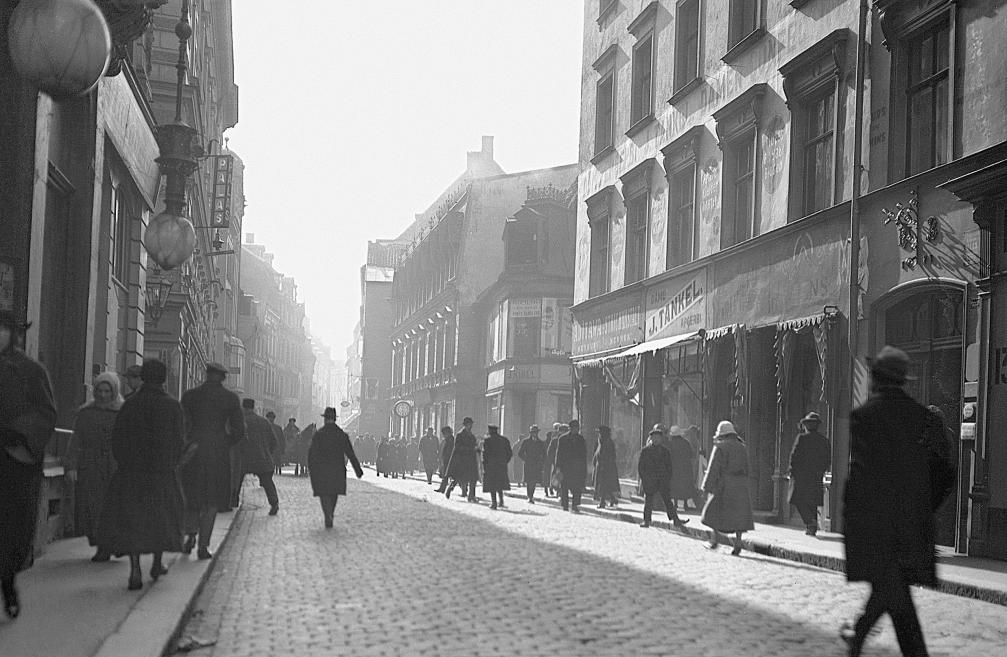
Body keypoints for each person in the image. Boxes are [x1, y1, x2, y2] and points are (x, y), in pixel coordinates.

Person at [841, 346, 955, 657]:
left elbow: (861, 478)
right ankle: (861, 635)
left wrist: (853, 522)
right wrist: (922, 505)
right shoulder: (923, 418)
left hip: (875, 524)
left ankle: (860, 636)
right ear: (904, 380)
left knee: (891, 588)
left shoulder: (864, 418)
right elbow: (945, 472)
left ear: (875, 379)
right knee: (894, 588)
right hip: (911, 524)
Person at [97, 359, 185, 590]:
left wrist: (125, 463)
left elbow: (117, 439)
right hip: (161, 474)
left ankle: (135, 569)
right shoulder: (172, 406)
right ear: (164, 379)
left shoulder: (130, 404)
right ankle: (157, 563)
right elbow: (179, 442)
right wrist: (171, 464)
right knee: (160, 520)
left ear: (144, 377)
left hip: (131, 474)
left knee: (132, 522)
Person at [0, 311, 56, 619]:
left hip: (13, 460)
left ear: (14, 335)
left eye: (3, 330)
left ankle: (7, 584)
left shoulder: (31, 370)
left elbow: (46, 412)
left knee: (9, 529)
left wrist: (17, 432)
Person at [179, 362, 246, 560]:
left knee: (192, 496)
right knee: (212, 500)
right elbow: (239, 430)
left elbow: (181, 423)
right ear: (224, 377)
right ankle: (203, 545)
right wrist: (225, 442)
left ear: (206, 374)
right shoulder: (230, 399)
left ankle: (190, 535)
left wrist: (187, 443)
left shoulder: (190, 396)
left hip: (194, 451)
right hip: (218, 454)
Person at [66, 371, 124, 562]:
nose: (103, 395)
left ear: (114, 392)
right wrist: (71, 466)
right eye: (99, 390)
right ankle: (101, 544)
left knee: (112, 509)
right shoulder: (86, 413)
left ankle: (110, 545)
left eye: (107, 391)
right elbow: (76, 441)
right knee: (92, 509)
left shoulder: (123, 412)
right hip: (90, 468)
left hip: (115, 468)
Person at [701, 421, 754, 555]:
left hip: (725, 484)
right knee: (739, 516)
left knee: (713, 511)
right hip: (741, 485)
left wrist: (706, 487)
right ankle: (738, 543)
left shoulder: (720, 447)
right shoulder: (742, 447)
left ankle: (714, 540)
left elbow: (713, 469)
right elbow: (748, 468)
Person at [308, 408, 364, 529]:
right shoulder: (341, 435)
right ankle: (330, 513)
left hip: (322, 470)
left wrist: (311, 469)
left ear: (324, 419)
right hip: (337, 470)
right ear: (334, 419)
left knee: (324, 493)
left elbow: (311, 454)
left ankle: (327, 514)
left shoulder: (319, 434)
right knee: (333, 493)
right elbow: (350, 453)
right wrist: (358, 470)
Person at [788, 411, 831, 536]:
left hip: (801, 476)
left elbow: (794, 456)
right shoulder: (824, 441)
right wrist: (820, 471)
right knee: (812, 501)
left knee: (798, 499)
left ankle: (810, 523)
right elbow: (827, 459)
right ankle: (811, 526)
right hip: (816, 476)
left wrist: (792, 470)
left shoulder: (802, 438)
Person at [638, 428, 689, 528]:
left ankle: (675, 520)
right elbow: (641, 467)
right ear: (651, 438)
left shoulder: (665, 451)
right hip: (650, 480)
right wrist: (645, 479)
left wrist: (667, 479)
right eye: (654, 438)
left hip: (662, 480)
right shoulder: (645, 451)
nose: (656, 440)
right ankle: (646, 520)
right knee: (648, 501)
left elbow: (669, 467)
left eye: (658, 438)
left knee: (667, 501)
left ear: (661, 439)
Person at [240, 399, 280, 516]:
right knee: (267, 482)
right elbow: (274, 441)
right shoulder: (264, 422)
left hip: (244, 458)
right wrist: (267, 452)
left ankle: (232, 501)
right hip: (262, 458)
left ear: (243, 408)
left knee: (236, 479)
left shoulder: (241, 421)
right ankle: (274, 504)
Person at [553, 419, 587, 512]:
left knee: (577, 488)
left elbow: (584, 455)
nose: (576, 430)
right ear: (571, 428)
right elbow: (558, 454)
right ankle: (565, 505)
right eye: (575, 428)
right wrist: (558, 467)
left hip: (577, 468)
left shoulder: (581, 439)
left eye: (577, 428)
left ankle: (575, 505)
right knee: (564, 487)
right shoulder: (563, 439)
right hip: (566, 467)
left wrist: (584, 468)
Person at [668, 425, 701, 512]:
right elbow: (691, 454)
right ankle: (685, 504)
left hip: (674, 468)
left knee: (674, 485)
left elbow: (668, 455)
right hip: (685, 468)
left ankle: (675, 504)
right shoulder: (686, 443)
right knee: (685, 485)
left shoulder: (670, 443)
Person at [446, 417, 479, 502]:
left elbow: (474, 445)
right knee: (458, 478)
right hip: (462, 460)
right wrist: (468, 449)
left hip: (471, 460)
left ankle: (471, 496)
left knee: (473, 479)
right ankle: (450, 488)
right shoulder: (460, 435)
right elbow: (457, 447)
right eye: (469, 424)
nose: (470, 426)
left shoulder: (471, 435)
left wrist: (477, 449)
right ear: (465, 425)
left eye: (471, 424)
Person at [482, 425, 512, 509]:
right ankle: (501, 501)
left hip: (491, 467)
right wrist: (505, 461)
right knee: (500, 484)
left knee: (492, 485)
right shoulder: (504, 440)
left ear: (490, 431)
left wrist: (484, 464)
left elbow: (485, 454)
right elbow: (510, 453)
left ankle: (494, 503)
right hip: (501, 466)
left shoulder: (487, 441)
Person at [592, 425, 621, 508]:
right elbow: (597, 453)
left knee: (604, 484)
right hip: (601, 466)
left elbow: (611, 455)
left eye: (600, 433)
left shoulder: (608, 442)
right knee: (605, 485)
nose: (599, 434)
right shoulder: (600, 441)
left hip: (607, 467)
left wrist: (604, 464)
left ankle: (602, 502)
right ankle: (612, 499)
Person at [517, 425, 547, 503]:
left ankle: (531, 496)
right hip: (528, 464)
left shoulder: (540, 443)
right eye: (533, 432)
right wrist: (526, 459)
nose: (535, 434)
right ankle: (529, 496)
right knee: (529, 481)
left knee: (534, 481)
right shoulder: (526, 442)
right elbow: (520, 453)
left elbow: (544, 454)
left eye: (536, 432)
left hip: (537, 464)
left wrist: (542, 462)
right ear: (530, 433)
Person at [543, 423, 561, 497]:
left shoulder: (559, 437)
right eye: (556, 428)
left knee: (557, 475)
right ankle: (549, 488)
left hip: (555, 460)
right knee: (550, 475)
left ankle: (555, 488)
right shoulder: (552, 437)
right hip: (550, 460)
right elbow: (549, 450)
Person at [265, 411, 286, 476]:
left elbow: (282, 439)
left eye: (272, 418)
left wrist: (282, 448)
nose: (271, 419)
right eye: (269, 418)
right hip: (267, 447)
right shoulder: (264, 427)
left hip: (276, 448)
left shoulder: (278, 428)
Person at [435, 426, 455, 492]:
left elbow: (450, 450)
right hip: (446, 460)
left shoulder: (451, 440)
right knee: (446, 476)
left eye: (444, 434)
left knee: (452, 476)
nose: (443, 435)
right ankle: (442, 488)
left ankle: (464, 489)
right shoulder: (446, 440)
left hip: (450, 460)